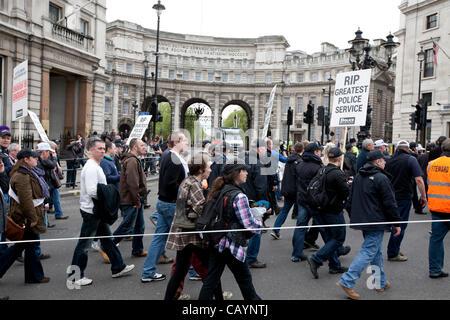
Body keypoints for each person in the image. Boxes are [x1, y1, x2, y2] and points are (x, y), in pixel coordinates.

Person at [69, 136, 134, 286]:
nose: (102, 151)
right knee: (84, 245)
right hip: (92, 212)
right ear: (90, 150)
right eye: (99, 149)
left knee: (107, 240)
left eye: (104, 149)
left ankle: (118, 267)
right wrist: (110, 195)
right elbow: (93, 191)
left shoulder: (95, 165)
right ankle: (74, 277)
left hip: (95, 210)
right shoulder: (91, 167)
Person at [336, 150, 401, 299]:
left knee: (375, 252)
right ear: (378, 162)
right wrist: (397, 223)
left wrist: (355, 218)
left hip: (365, 220)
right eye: (383, 161)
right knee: (368, 251)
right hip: (376, 221)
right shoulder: (381, 178)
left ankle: (379, 282)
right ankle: (347, 281)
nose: (385, 163)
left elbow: (349, 201)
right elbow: (390, 203)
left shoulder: (359, 176)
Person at [164, 154, 225, 300]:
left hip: (183, 233)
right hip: (191, 235)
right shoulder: (195, 185)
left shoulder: (186, 182)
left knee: (179, 272)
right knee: (212, 269)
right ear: (200, 169)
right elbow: (202, 210)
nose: (210, 170)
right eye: (208, 167)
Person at [198, 164, 263, 300]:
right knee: (245, 282)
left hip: (216, 241)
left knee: (210, 281)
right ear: (236, 173)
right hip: (231, 245)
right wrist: (259, 221)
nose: (246, 173)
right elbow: (249, 224)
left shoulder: (219, 190)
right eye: (244, 170)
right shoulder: (239, 196)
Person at [141, 131, 189, 282]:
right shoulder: (173, 158)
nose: (187, 143)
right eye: (184, 140)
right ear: (176, 142)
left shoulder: (169, 155)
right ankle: (194, 272)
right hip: (172, 204)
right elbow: (171, 183)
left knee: (159, 239)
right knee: (187, 239)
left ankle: (148, 273)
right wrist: (184, 194)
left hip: (164, 202)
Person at [0, 149, 51, 284]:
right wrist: (33, 218)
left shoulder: (28, 173)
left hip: (29, 215)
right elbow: (26, 200)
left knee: (26, 246)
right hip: (26, 217)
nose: (36, 159)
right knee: (28, 247)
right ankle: (34, 276)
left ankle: (33, 276)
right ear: (26, 160)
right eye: (33, 157)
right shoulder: (22, 176)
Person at [306, 148, 350, 278]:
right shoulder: (337, 173)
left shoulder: (322, 169)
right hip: (333, 209)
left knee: (330, 238)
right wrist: (348, 184)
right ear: (340, 159)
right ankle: (316, 258)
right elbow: (345, 192)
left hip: (321, 208)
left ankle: (334, 265)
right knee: (338, 238)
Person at [384, 140, 427, 262]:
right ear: (408, 149)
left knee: (395, 224)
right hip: (403, 196)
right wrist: (423, 196)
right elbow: (419, 179)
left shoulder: (389, 159)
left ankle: (395, 248)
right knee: (400, 225)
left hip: (390, 196)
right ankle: (393, 252)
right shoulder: (410, 159)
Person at [291, 142, 327, 262]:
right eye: (319, 151)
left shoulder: (299, 164)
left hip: (302, 199)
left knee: (301, 226)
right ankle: (334, 251)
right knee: (322, 226)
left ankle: (296, 253)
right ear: (315, 152)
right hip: (313, 201)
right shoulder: (318, 167)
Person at [112, 138, 147, 257]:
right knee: (127, 226)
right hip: (131, 200)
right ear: (135, 147)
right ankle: (108, 247)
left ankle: (137, 250)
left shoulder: (134, 159)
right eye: (142, 145)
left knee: (139, 226)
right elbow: (132, 183)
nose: (145, 147)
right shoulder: (132, 161)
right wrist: (136, 200)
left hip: (136, 199)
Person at [240, 138, 271, 269]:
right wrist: (264, 207)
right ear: (259, 149)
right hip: (254, 201)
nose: (266, 151)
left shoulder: (241, 159)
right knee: (256, 229)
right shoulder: (258, 164)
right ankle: (251, 258)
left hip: (240, 198)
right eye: (264, 149)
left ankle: (238, 255)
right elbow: (261, 188)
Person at [427, 138, 450, 279]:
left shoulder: (431, 164)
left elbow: (430, 182)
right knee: (437, 240)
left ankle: (435, 269)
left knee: (436, 239)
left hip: (436, 208)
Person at [271, 142, 303, 239]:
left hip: (288, 189)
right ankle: (300, 234)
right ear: (302, 150)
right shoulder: (299, 161)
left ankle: (276, 229)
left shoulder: (289, 159)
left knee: (285, 210)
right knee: (302, 213)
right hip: (296, 190)